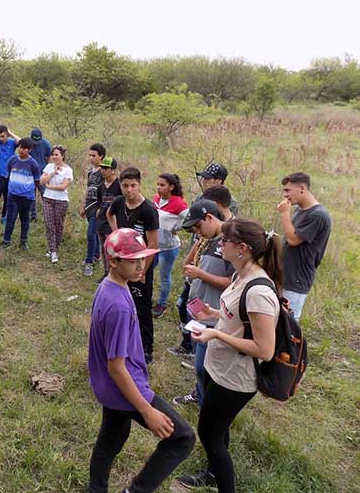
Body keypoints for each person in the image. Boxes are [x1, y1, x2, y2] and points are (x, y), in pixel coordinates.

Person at [176, 219, 281, 492]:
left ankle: (224, 483)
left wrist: (217, 335)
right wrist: (213, 314)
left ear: (242, 248)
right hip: (218, 367)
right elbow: (238, 316)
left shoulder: (259, 291)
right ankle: (212, 471)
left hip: (235, 378)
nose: (219, 244)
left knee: (209, 434)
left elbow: (264, 349)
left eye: (225, 241)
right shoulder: (238, 275)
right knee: (218, 430)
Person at [88, 228, 195, 493]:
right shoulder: (118, 306)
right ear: (113, 261)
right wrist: (147, 410)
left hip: (109, 388)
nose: (141, 265)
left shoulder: (112, 286)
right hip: (126, 386)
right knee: (182, 438)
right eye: (132, 260)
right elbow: (116, 366)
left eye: (143, 258)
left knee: (111, 437)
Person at [172, 200, 233, 408]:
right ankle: (200, 395)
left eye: (199, 226)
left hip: (213, 314)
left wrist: (201, 275)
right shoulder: (209, 240)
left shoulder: (229, 243)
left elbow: (233, 284)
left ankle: (208, 404)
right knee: (200, 362)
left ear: (210, 217)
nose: (198, 231)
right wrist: (198, 242)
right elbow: (186, 265)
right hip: (198, 311)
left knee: (203, 365)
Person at [107, 167, 159, 364]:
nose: (129, 190)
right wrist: (116, 235)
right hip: (121, 263)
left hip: (140, 264)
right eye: (125, 186)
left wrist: (142, 270)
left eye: (133, 186)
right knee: (121, 301)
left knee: (142, 308)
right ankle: (124, 340)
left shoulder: (148, 210)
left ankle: (146, 348)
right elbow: (109, 214)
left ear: (139, 185)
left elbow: (153, 244)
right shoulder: (119, 201)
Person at [277, 172, 331, 320]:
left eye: (288, 190)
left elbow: (293, 240)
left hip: (297, 279)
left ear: (302, 188)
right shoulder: (300, 210)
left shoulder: (318, 215)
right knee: (276, 324)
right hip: (285, 276)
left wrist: (285, 215)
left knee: (288, 327)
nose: (285, 195)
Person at [152, 173, 189, 317]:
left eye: (162, 185)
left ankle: (162, 304)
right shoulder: (156, 199)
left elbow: (190, 220)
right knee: (146, 270)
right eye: (158, 184)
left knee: (164, 276)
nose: (159, 188)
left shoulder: (178, 203)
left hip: (168, 248)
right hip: (154, 245)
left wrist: (176, 228)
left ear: (171, 187)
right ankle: (145, 296)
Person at [0, 138, 40, 250]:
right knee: (10, 219)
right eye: (20, 147)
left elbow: (37, 180)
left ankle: (23, 241)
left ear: (29, 150)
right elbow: (8, 172)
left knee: (24, 219)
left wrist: (30, 192)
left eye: (24, 148)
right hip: (13, 195)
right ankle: (6, 241)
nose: (21, 150)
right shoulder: (12, 160)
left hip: (26, 197)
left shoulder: (33, 164)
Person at [40, 145, 72, 263]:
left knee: (58, 225)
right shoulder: (49, 167)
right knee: (49, 225)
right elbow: (42, 181)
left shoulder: (68, 170)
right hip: (48, 198)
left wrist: (51, 186)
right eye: (52, 155)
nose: (54, 157)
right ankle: (53, 251)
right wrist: (53, 173)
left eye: (56, 155)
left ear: (62, 156)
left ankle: (55, 248)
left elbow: (63, 186)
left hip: (61, 200)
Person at [94, 157, 122, 282]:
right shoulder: (101, 186)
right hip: (101, 222)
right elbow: (100, 201)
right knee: (104, 249)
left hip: (113, 224)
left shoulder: (119, 186)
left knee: (114, 250)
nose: (103, 171)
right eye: (102, 168)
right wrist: (99, 211)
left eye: (106, 168)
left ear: (113, 170)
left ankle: (116, 274)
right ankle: (106, 273)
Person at [81, 143, 106, 276]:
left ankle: (89, 262)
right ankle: (96, 255)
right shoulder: (91, 171)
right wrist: (83, 205)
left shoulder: (104, 171)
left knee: (91, 234)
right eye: (90, 155)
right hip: (89, 206)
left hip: (98, 207)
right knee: (94, 233)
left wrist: (101, 208)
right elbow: (88, 189)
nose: (91, 158)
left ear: (101, 156)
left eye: (94, 155)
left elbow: (107, 192)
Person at [28, 127, 52, 222]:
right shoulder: (28, 143)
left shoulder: (45, 143)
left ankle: (48, 215)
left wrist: (48, 169)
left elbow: (49, 156)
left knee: (45, 195)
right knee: (31, 196)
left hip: (42, 174)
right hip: (30, 174)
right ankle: (32, 216)